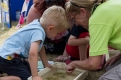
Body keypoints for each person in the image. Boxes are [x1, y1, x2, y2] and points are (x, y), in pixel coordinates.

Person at [0, 6, 69, 80]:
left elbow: (40, 47)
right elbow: (32, 54)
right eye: (58, 33)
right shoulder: (38, 32)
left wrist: (45, 63)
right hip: (7, 59)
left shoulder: (38, 25)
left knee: (29, 73)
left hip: (12, 57)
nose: (58, 35)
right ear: (51, 28)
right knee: (26, 78)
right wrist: (35, 75)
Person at [65, 0, 121, 80]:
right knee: (110, 67)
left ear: (82, 12)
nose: (76, 24)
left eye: (74, 19)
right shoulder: (107, 5)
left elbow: (93, 64)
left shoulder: (97, 19)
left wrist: (73, 64)